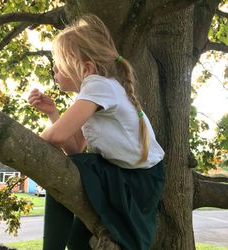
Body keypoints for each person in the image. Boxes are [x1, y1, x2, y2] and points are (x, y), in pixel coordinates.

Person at [28, 14, 165, 250]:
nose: (54, 71)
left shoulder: (98, 85)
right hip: (129, 177)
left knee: (59, 173)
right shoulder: (96, 93)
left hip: (138, 182)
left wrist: (29, 145)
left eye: (59, 66)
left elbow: (58, 138)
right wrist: (53, 114)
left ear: (86, 68)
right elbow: (75, 148)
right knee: (78, 236)